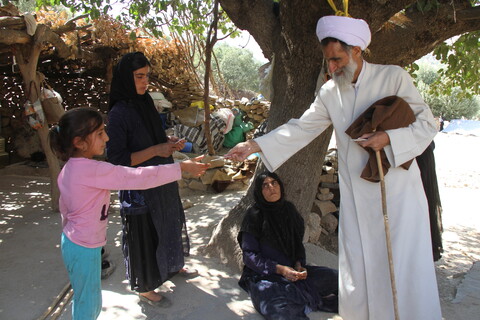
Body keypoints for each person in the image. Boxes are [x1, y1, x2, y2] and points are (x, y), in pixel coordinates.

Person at [227, 15, 442, 320]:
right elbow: (301, 128)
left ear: (357, 51)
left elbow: (426, 125)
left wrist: (388, 138)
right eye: (328, 61)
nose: (332, 68)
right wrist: (253, 145)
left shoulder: (393, 77)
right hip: (355, 197)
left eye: (337, 59)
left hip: (397, 194)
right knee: (359, 265)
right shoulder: (330, 93)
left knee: (401, 262)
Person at [49, 107, 208, 319]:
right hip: (84, 247)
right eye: (99, 134)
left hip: (73, 242)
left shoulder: (69, 168)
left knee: (84, 297)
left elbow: (65, 210)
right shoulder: (92, 170)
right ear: (79, 142)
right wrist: (181, 168)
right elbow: (138, 177)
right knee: (89, 303)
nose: (106, 137)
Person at [106, 52, 198, 306]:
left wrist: (166, 143)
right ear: (127, 77)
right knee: (146, 233)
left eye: (146, 76)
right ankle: (145, 287)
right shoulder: (118, 113)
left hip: (162, 178)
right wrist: (156, 151)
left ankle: (173, 265)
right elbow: (117, 159)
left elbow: (150, 136)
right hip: (139, 186)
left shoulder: (145, 102)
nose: (145, 82)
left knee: (169, 221)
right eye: (139, 76)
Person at [238, 171, 338, 320]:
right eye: (265, 185)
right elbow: (250, 256)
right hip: (265, 275)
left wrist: (299, 264)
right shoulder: (254, 215)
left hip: (293, 272)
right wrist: (279, 269)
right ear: (259, 192)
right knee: (279, 310)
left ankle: (305, 299)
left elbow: (297, 244)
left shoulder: (289, 210)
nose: (271, 187)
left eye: (274, 183)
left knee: (337, 279)